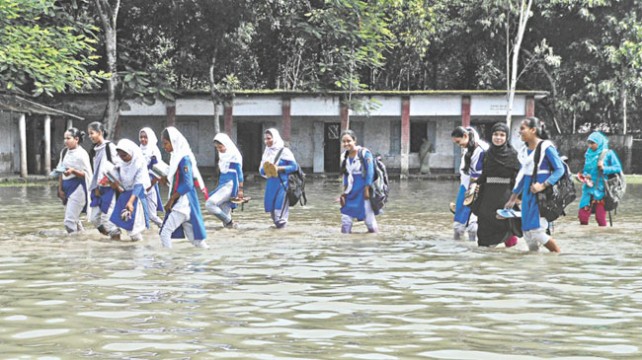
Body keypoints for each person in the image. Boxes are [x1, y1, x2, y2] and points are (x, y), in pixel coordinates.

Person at [505, 117, 563, 253]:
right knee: (527, 233)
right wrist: (513, 197)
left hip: (541, 196)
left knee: (537, 232)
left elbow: (559, 169)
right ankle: (534, 262)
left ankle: (558, 256)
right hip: (527, 196)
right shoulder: (524, 152)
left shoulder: (546, 147)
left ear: (533, 130)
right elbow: (522, 177)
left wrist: (543, 185)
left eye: (522, 129)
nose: (519, 132)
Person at [159, 127, 208, 249]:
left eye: (166, 143)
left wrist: (171, 200)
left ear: (174, 141)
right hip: (185, 205)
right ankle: (207, 255)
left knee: (164, 233)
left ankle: (169, 263)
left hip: (181, 204)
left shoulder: (183, 159)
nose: (164, 147)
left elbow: (187, 184)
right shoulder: (176, 157)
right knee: (195, 240)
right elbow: (178, 180)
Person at [473, 122, 520, 247]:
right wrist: (475, 184)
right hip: (487, 195)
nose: (498, 137)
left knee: (504, 223)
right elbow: (485, 174)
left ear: (506, 137)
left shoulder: (512, 155)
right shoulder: (488, 154)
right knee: (484, 222)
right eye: (495, 134)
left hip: (505, 194)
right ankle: (485, 256)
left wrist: (516, 197)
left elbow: (517, 178)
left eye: (502, 135)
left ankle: (509, 254)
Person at [450, 126, 488, 242]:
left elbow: (478, 174)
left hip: (478, 189)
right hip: (465, 187)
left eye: (458, 142)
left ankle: (474, 249)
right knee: (458, 225)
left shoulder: (481, 149)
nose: (458, 145)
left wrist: (472, 193)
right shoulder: (467, 148)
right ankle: (457, 248)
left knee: (473, 225)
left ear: (465, 136)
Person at [108, 139, 150, 241]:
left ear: (131, 153)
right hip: (123, 195)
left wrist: (131, 202)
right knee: (113, 227)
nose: (123, 158)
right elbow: (114, 178)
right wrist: (114, 185)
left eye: (125, 156)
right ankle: (118, 252)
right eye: (120, 156)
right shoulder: (120, 163)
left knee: (134, 231)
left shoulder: (139, 163)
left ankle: (139, 252)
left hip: (136, 197)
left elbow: (139, 185)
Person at [578, 131, 623, 226]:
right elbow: (586, 170)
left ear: (599, 142)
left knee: (600, 218)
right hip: (588, 189)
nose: (590, 146)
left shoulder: (608, 154)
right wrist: (586, 175)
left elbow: (617, 168)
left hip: (601, 191)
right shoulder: (588, 154)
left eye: (592, 143)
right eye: (589, 143)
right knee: (582, 216)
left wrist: (604, 168)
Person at [339, 129, 379, 233]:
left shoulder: (364, 153)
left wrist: (367, 188)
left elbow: (370, 172)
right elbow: (345, 175)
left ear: (354, 141)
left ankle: (373, 240)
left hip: (363, 189)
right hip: (350, 191)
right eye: (344, 141)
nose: (346, 143)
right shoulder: (343, 157)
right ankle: (345, 243)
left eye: (349, 141)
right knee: (346, 219)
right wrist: (343, 193)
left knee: (369, 220)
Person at [87, 121, 121, 239]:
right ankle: (110, 238)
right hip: (97, 188)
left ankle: (115, 241)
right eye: (89, 134)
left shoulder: (109, 147)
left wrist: (111, 181)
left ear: (100, 132)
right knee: (94, 218)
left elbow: (118, 165)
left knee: (107, 218)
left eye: (92, 133)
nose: (90, 136)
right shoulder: (95, 149)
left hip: (109, 188)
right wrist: (96, 186)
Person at [259, 128, 299, 229]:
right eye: (265, 139)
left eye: (269, 138)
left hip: (283, 184)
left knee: (279, 212)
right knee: (272, 212)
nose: (266, 141)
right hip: (271, 184)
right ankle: (277, 237)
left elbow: (294, 167)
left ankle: (283, 239)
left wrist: (279, 168)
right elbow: (261, 170)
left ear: (275, 138)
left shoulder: (284, 151)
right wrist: (267, 169)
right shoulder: (267, 152)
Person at [56, 128, 93, 234]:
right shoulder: (64, 152)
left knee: (69, 222)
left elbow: (87, 175)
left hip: (78, 188)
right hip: (66, 187)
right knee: (75, 220)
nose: (65, 141)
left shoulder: (82, 154)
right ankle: (82, 239)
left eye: (68, 138)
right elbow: (60, 170)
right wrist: (60, 189)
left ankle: (72, 245)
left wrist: (73, 171)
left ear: (76, 139)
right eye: (64, 138)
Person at [206, 133, 244, 229]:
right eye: (217, 148)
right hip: (222, 184)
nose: (219, 150)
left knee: (209, 204)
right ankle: (232, 227)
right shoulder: (223, 156)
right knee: (227, 226)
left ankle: (230, 222)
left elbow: (239, 173)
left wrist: (240, 189)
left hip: (230, 185)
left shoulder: (233, 155)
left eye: (220, 147)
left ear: (226, 144)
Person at [139, 127, 164, 227]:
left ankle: (164, 227)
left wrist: (150, 185)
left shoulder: (154, 151)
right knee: (140, 214)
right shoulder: (138, 150)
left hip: (150, 185)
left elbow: (157, 172)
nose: (143, 139)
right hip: (139, 185)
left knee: (151, 215)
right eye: (141, 137)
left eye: (145, 137)